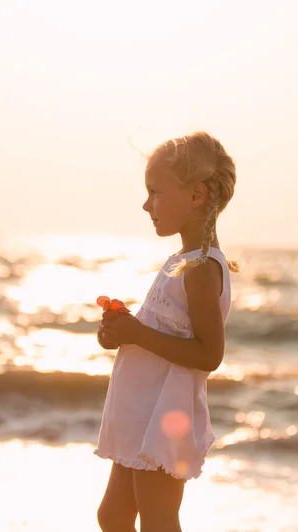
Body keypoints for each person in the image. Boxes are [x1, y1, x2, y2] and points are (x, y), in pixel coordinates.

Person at [94, 132, 239, 532]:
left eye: (155, 192)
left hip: (164, 415)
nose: (146, 204)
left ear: (196, 195)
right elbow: (158, 329)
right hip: (140, 408)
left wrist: (137, 334)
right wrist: (120, 331)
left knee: (158, 521)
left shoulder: (201, 268)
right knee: (113, 516)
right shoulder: (182, 261)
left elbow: (209, 355)